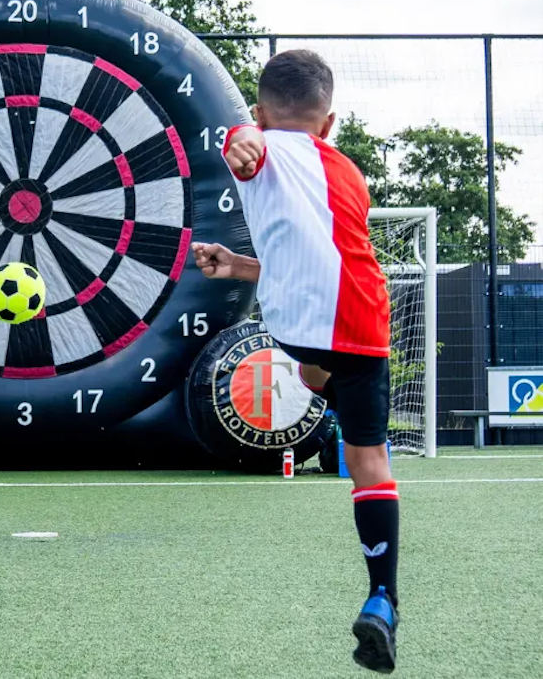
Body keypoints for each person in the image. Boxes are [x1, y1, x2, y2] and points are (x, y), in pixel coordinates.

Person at [192, 49, 400, 673]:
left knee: (310, 371)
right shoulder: (349, 174)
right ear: (330, 123)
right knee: (370, 462)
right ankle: (384, 597)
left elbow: (243, 144)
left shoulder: (253, 143)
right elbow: (323, 253)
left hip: (294, 325)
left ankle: (317, 379)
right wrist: (238, 259)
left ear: (261, 110)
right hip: (364, 320)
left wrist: (245, 141)